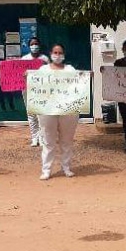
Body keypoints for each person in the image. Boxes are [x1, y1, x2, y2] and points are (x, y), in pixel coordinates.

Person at [37, 44, 81, 180]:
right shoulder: (43, 69)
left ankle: (66, 167)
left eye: (60, 52)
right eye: (55, 52)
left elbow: (78, 83)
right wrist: (28, 76)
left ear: (64, 54)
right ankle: (46, 169)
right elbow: (36, 85)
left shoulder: (70, 69)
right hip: (47, 110)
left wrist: (85, 76)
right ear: (50, 53)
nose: (57, 55)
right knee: (48, 141)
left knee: (66, 140)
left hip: (67, 110)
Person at [20, 36, 49, 147]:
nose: (34, 46)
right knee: (31, 114)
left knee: (41, 115)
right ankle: (34, 138)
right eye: (32, 44)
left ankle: (42, 138)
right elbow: (18, 73)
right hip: (27, 89)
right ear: (29, 46)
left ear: (39, 45)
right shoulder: (24, 59)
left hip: (40, 90)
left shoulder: (44, 59)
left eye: (36, 44)